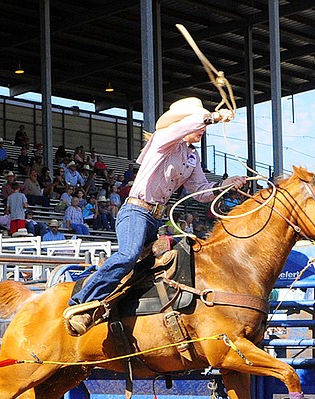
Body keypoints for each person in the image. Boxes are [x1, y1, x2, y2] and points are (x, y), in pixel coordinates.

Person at [64, 96, 246, 335]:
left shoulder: (192, 156)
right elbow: (185, 128)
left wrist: (224, 185)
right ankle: (80, 303)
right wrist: (211, 118)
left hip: (153, 219)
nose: (201, 130)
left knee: (165, 262)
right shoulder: (164, 140)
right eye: (198, 124)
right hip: (136, 211)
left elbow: (201, 191)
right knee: (129, 255)